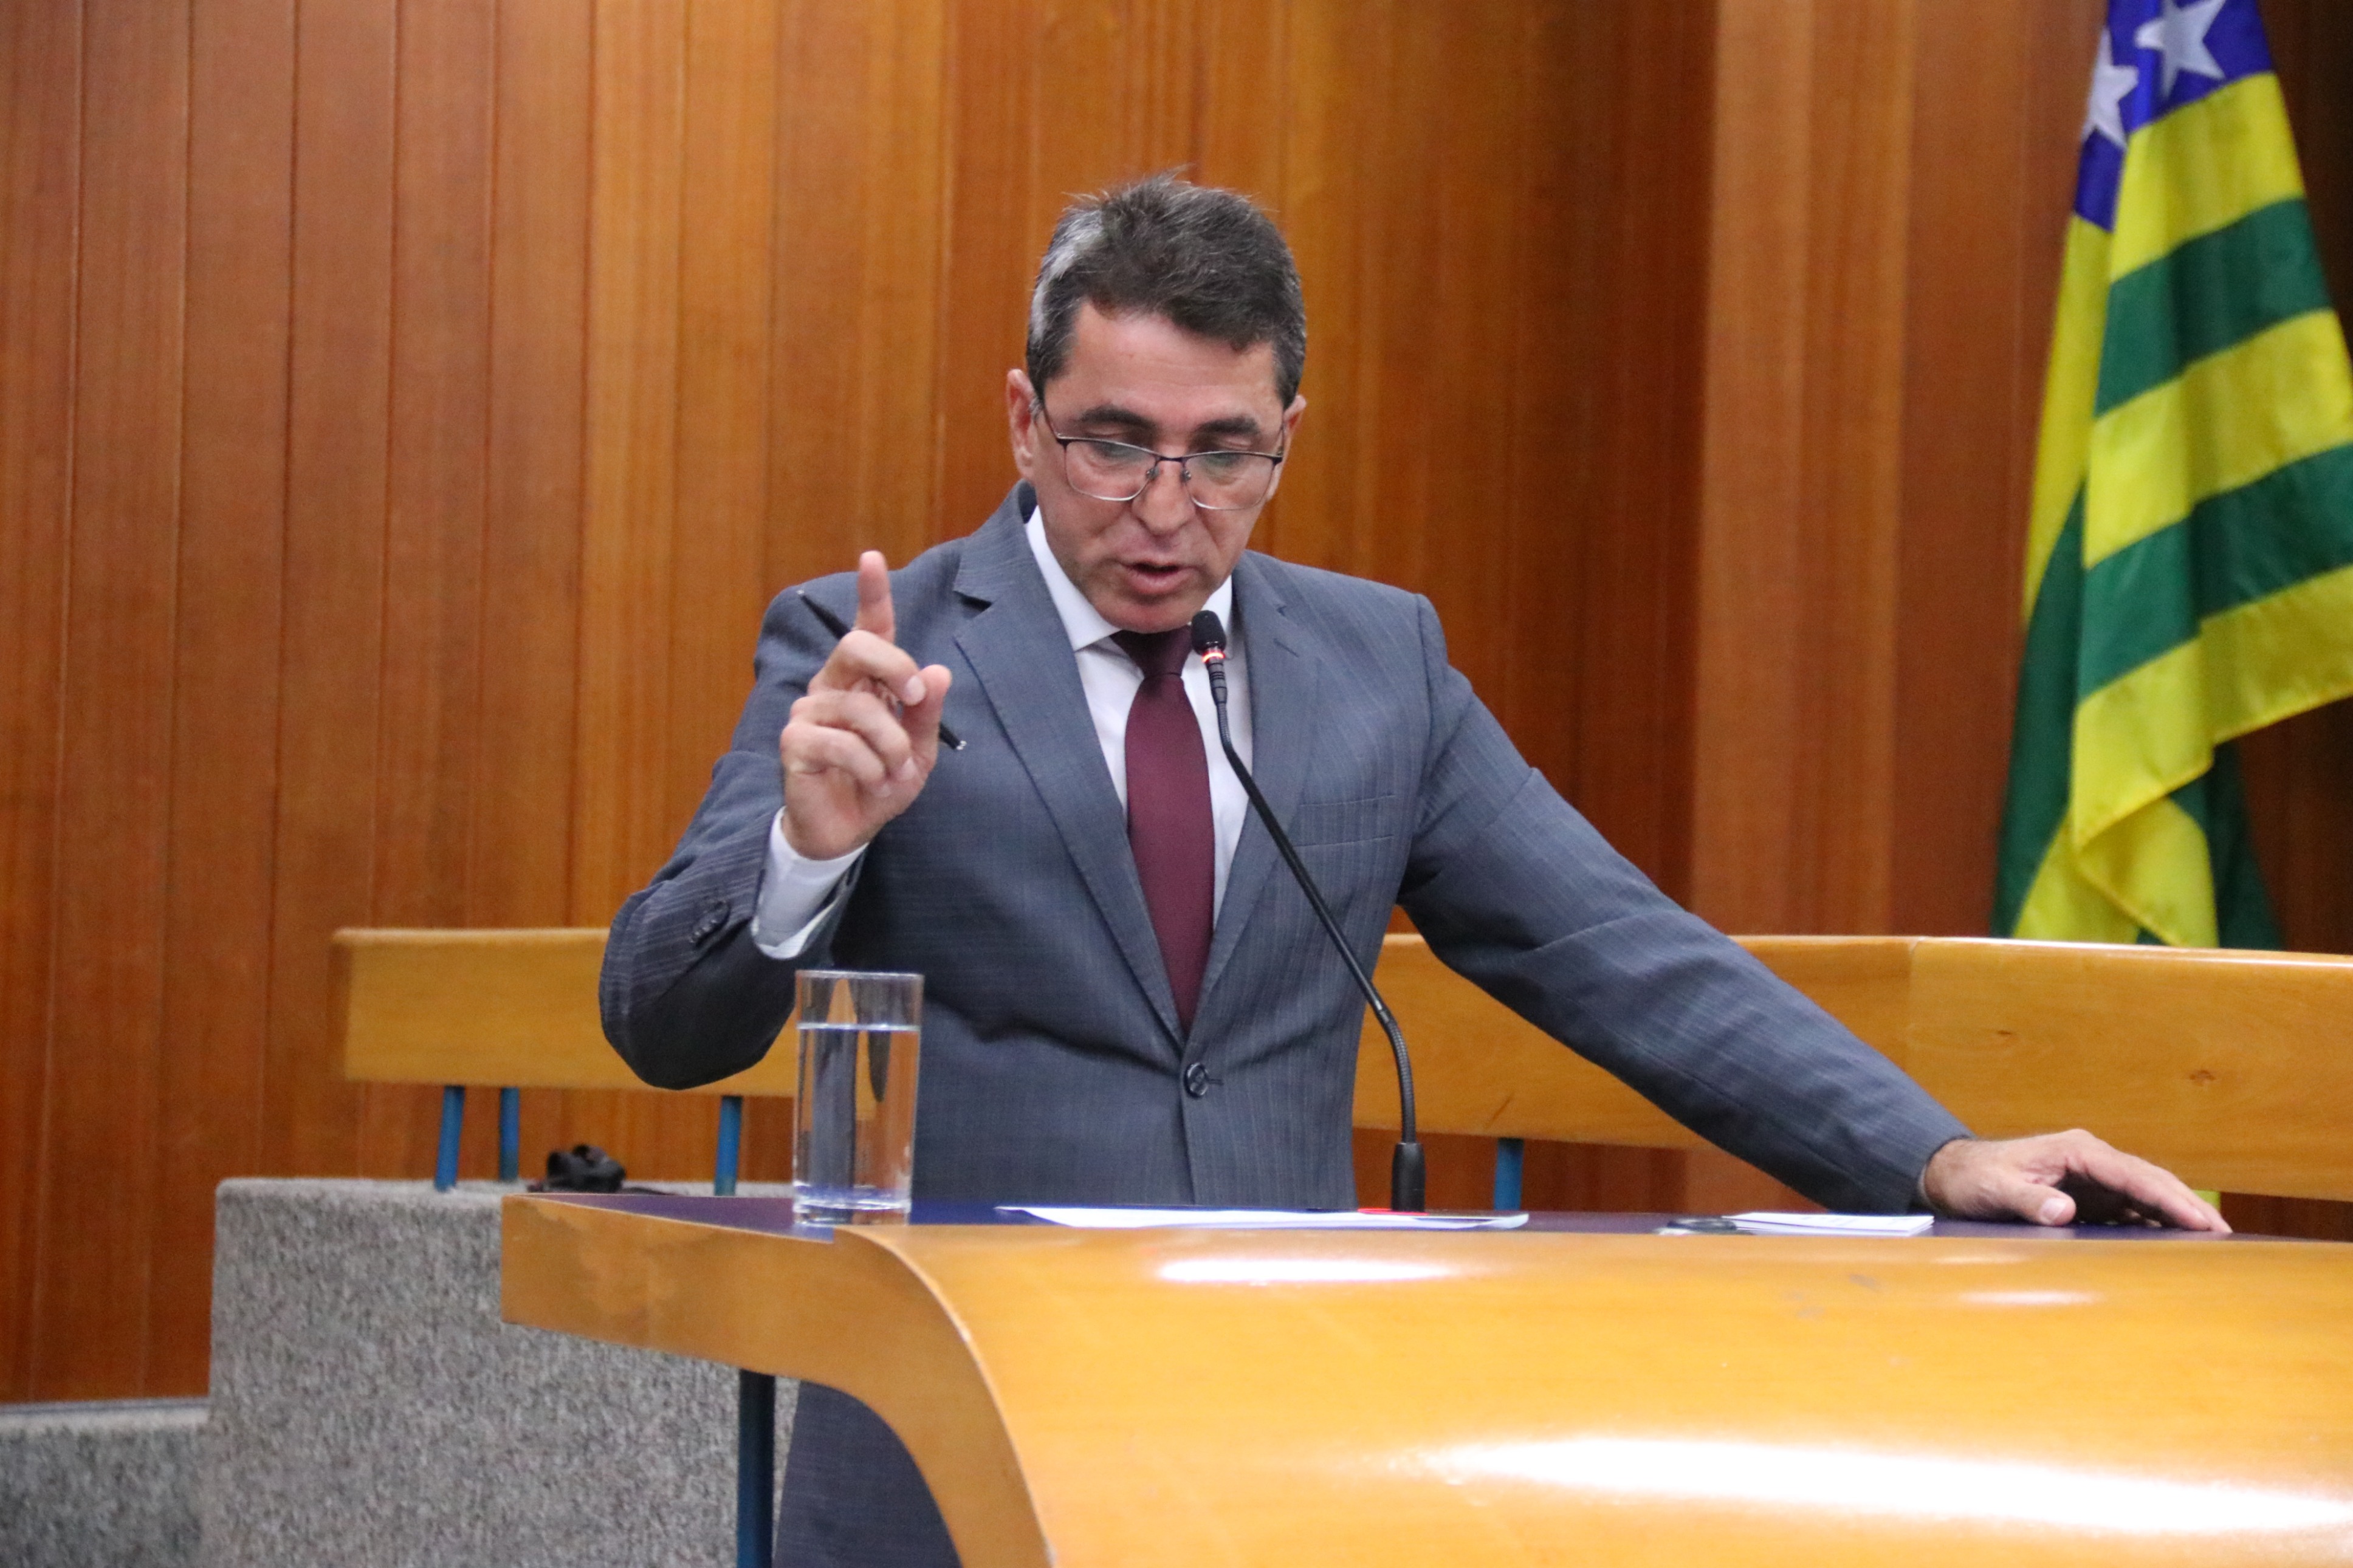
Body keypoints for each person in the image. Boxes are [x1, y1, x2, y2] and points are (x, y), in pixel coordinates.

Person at [601, 173, 2225, 1567]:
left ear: (1288, 439)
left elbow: (1617, 951)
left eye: (1224, 453)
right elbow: (660, 1021)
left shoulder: (1375, 667)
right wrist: (809, 852)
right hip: (953, 1454)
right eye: (1114, 444)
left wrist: (1933, 1157)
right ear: (1025, 420)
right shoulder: (868, 654)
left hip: (1284, 1457)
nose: (1167, 509)